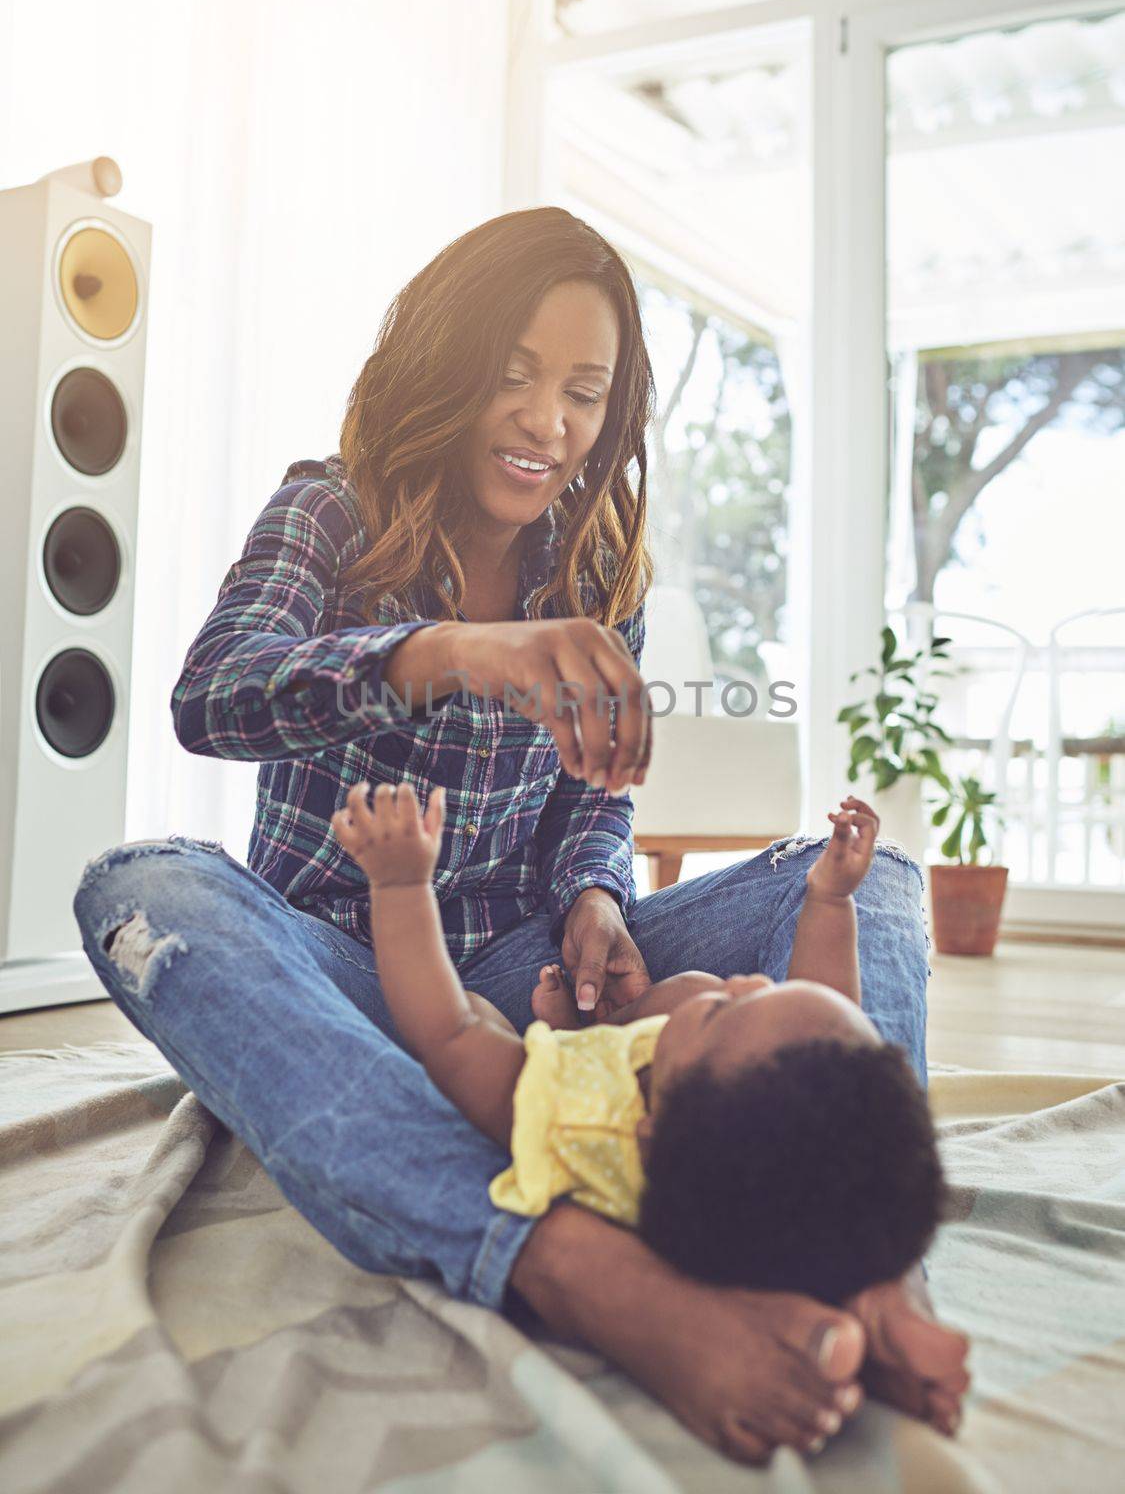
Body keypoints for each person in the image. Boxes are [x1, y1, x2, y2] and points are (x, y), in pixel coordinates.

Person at [72, 206, 969, 1466]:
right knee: (140, 887)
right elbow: (213, 696)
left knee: (873, 887)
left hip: (533, 963)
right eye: (516, 374)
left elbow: (595, 799)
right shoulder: (327, 512)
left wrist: (598, 898)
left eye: (585, 391)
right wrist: (449, 656)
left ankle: (873, 1265)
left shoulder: (603, 571)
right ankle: (570, 1267)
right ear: (446, 364)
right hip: (338, 972)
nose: (551, 421)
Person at [331, 782, 946, 1311]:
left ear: (646, 1125)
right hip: (587, 1003)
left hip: (422, 987)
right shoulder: (731, 1157)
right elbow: (824, 1005)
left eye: (724, 1014)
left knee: (480, 1018)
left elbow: (444, 1031)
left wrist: (400, 887)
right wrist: (831, 897)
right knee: (751, 1005)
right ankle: (882, 1280)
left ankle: (571, 1040)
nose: (749, 981)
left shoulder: (575, 1119)